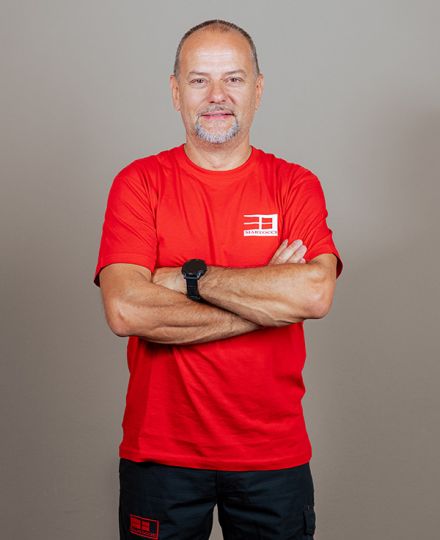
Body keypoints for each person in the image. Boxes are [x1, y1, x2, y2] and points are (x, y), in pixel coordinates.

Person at [93, 18, 343, 540]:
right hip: (160, 454)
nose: (216, 96)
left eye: (233, 78)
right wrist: (267, 299)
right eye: (199, 80)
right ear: (175, 92)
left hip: (272, 456)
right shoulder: (139, 183)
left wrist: (188, 279)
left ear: (257, 90)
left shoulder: (294, 184)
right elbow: (126, 310)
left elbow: (315, 293)